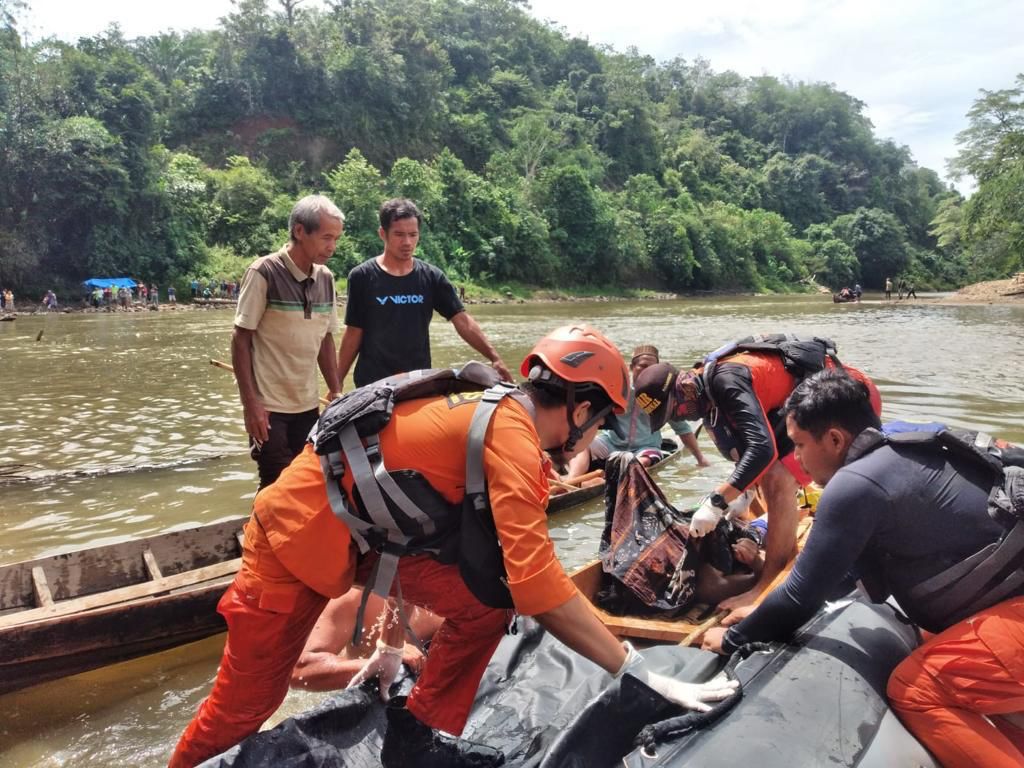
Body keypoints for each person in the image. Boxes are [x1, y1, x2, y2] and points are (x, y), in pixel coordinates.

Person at [169, 324, 737, 768]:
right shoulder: (511, 439)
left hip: (359, 539)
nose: (591, 438)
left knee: (486, 601)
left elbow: (409, 528)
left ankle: (413, 738)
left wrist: (391, 645)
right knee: (244, 706)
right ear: (582, 410)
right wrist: (633, 668)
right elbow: (539, 586)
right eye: (598, 423)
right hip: (292, 539)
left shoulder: (501, 419)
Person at [700, 369, 1024, 768]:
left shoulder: (855, 483)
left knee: (916, 691)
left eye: (800, 444)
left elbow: (801, 594)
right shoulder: (905, 451)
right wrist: (762, 611)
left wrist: (732, 641)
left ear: (835, 439)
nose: (796, 458)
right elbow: (839, 576)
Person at [633, 336, 881, 621]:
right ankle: (779, 563)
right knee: (769, 476)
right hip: (815, 407)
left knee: (778, 479)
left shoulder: (725, 381)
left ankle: (766, 587)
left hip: (848, 399)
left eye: (674, 410)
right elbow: (751, 451)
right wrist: (743, 495)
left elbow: (763, 450)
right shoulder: (709, 392)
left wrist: (717, 502)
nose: (681, 416)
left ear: (685, 388)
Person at [337, 198, 512, 389]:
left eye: (413, 235)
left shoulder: (431, 277)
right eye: (399, 234)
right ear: (382, 234)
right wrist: (335, 383)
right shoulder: (362, 276)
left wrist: (494, 357)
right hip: (372, 384)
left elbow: (462, 320)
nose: (407, 242)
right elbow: (354, 333)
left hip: (417, 382)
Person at [232, 194, 344, 489]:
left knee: (306, 481)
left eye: (336, 239)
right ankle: (262, 535)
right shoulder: (264, 272)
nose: (331, 247)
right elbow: (240, 339)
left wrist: (335, 389)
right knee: (274, 483)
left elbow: (325, 340)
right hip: (269, 407)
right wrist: (250, 404)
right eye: (326, 238)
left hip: (307, 405)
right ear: (299, 231)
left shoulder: (326, 279)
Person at [566, 343, 708, 477]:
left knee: (646, 460)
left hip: (645, 448)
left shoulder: (662, 394)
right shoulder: (616, 390)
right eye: (642, 366)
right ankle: (571, 480)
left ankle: (619, 478)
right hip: (611, 443)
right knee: (583, 446)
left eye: (652, 368)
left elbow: (682, 429)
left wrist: (700, 458)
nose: (647, 371)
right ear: (631, 367)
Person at [289, 587, 443, 692]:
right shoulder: (356, 595)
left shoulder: (457, 586)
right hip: (369, 708)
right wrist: (380, 664)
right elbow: (299, 671)